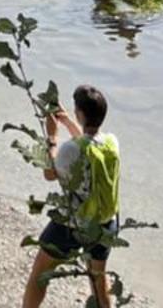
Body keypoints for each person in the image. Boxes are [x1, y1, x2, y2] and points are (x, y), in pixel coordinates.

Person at [22, 84, 122, 308]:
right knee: (98, 277)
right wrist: (67, 122)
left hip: (74, 223)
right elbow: (86, 142)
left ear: (80, 113)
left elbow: (49, 173)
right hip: (105, 223)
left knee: (41, 271)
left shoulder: (70, 150)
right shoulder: (111, 143)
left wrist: (52, 136)